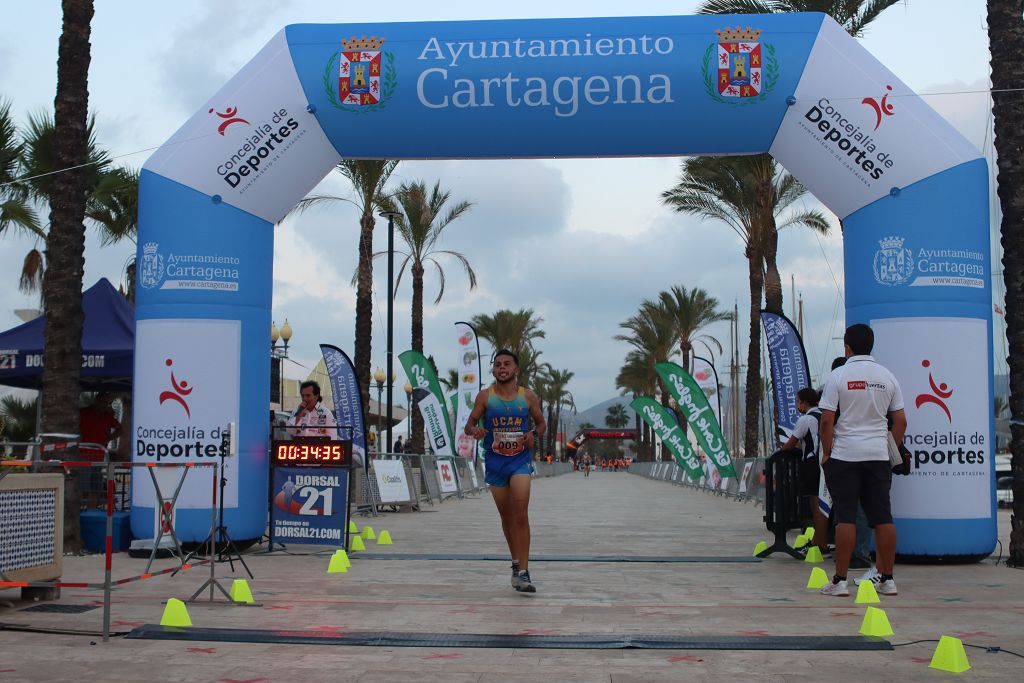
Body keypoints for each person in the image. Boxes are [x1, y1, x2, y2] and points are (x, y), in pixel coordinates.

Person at [818, 324, 906, 597]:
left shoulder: (838, 375)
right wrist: (890, 448)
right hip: (878, 456)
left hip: (845, 455)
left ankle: (840, 581)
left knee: (845, 516)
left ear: (847, 347)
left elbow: (826, 420)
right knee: (883, 517)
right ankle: (887, 580)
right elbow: (901, 421)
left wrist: (827, 451)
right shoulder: (887, 376)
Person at [464, 349, 546, 593]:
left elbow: (541, 423)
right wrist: (474, 430)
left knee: (521, 513)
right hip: (495, 462)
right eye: (498, 364)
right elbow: (469, 424)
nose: (502, 368)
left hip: (520, 460)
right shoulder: (485, 397)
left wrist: (533, 434)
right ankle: (514, 564)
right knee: (507, 517)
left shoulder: (528, 397)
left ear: (516, 370)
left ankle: (524, 571)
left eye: (507, 364)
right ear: (493, 370)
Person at [781, 387, 828, 557]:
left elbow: (790, 444)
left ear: (804, 402)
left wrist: (781, 450)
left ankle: (819, 543)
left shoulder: (806, 419)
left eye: (798, 401)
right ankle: (821, 541)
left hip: (811, 464)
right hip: (826, 462)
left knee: (816, 505)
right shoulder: (824, 415)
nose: (797, 404)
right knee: (824, 505)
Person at [79, 392, 123, 507]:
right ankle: (79, 511)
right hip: (83, 455)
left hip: (98, 456)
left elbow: (120, 429)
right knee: (83, 486)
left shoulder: (106, 416)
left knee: (95, 487)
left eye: (107, 403)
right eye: (103, 402)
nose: (104, 406)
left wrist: (108, 438)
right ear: (96, 400)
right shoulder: (84, 412)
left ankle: (91, 511)